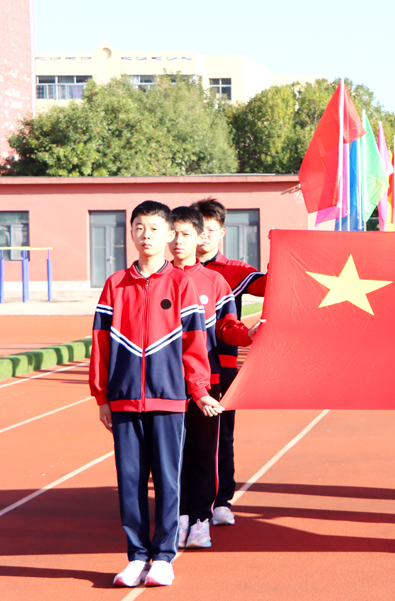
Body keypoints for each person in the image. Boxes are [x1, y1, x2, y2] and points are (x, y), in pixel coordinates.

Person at [89, 200, 222, 588]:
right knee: (129, 480)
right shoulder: (115, 284)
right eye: (139, 228)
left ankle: (164, 556)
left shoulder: (182, 284)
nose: (146, 235)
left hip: (168, 399)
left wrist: (198, 390)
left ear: (168, 235)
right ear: (131, 233)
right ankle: (136, 556)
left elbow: (195, 344)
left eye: (154, 229)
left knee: (167, 480)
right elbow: (100, 344)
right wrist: (102, 397)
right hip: (124, 398)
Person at [169, 206, 260, 549]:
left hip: (209, 379)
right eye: (174, 234)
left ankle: (201, 518)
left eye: (187, 234)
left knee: (206, 450)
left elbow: (226, 326)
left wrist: (247, 334)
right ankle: (177, 517)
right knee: (170, 453)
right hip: (165, 381)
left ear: (200, 237)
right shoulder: (157, 279)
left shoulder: (216, 281)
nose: (179, 241)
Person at [191, 198, 267, 526]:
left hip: (221, 367)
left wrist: (285, 254)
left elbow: (269, 285)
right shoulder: (174, 270)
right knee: (184, 438)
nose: (204, 236)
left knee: (222, 437)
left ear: (222, 233)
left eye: (211, 230)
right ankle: (187, 501)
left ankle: (221, 501)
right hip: (180, 369)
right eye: (199, 230)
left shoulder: (235, 271)